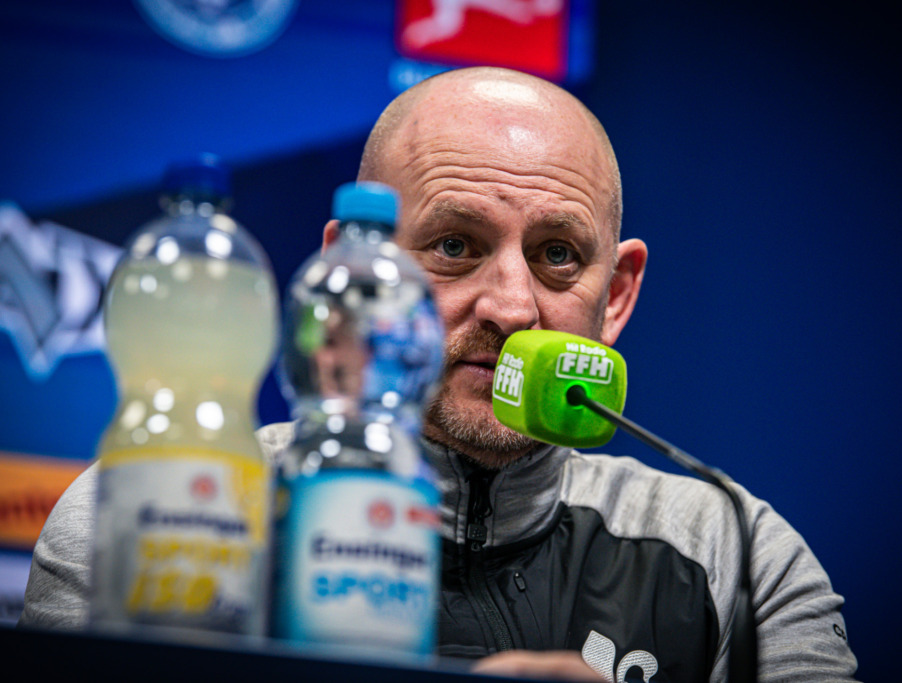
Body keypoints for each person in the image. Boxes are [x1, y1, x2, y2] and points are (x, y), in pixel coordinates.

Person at [20, 67, 859, 682]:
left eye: (557, 255)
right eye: (455, 245)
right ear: (355, 272)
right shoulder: (157, 510)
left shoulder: (735, 553)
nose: (512, 306)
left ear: (616, 297)